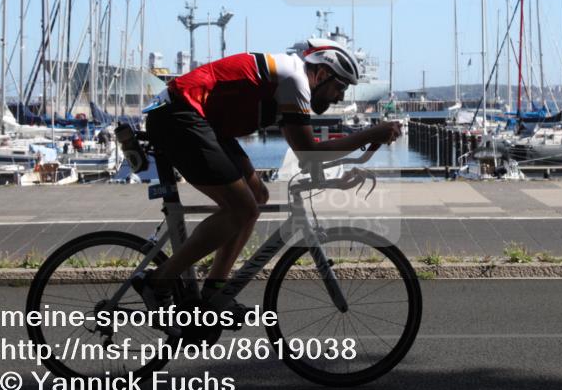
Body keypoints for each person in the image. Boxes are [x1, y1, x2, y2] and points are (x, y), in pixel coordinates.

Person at [139, 38, 401, 325]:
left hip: (203, 122)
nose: (340, 97)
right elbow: (309, 153)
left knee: (257, 197)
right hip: (179, 115)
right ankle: (159, 281)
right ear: (323, 74)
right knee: (242, 209)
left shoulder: (292, 81)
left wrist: (338, 179)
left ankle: (214, 293)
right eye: (340, 87)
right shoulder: (294, 79)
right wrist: (371, 134)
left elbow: (307, 160)